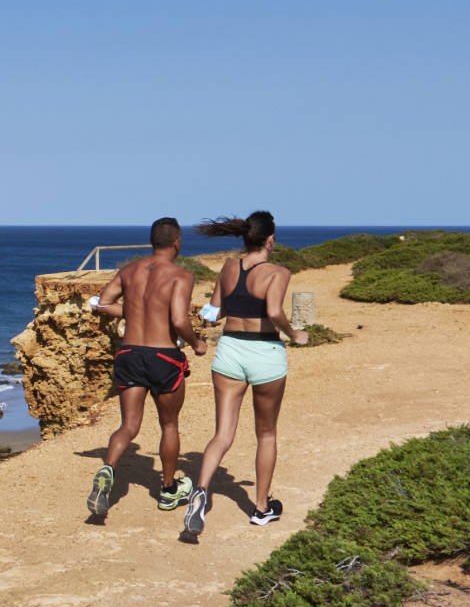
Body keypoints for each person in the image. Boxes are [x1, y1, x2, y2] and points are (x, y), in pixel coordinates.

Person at [181, 210, 308, 540]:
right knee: (266, 433)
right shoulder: (278, 272)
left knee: (222, 434)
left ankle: (200, 492)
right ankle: (262, 508)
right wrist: (294, 335)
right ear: (270, 240)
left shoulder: (228, 266)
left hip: (230, 351)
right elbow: (274, 311)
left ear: (245, 238)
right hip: (264, 352)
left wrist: (209, 314)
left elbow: (215, 311)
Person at [85, 217, 206, 521]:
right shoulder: (180, 275)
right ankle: (167, 491)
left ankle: (107, 469)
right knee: (169, 425)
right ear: (177, 242)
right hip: (164, 356)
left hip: (129, 353)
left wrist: (136, 309)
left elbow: (101, 304)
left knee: (129, 425)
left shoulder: (129, 271)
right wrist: (197, 343)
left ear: (152, 241)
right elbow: (179, 321)